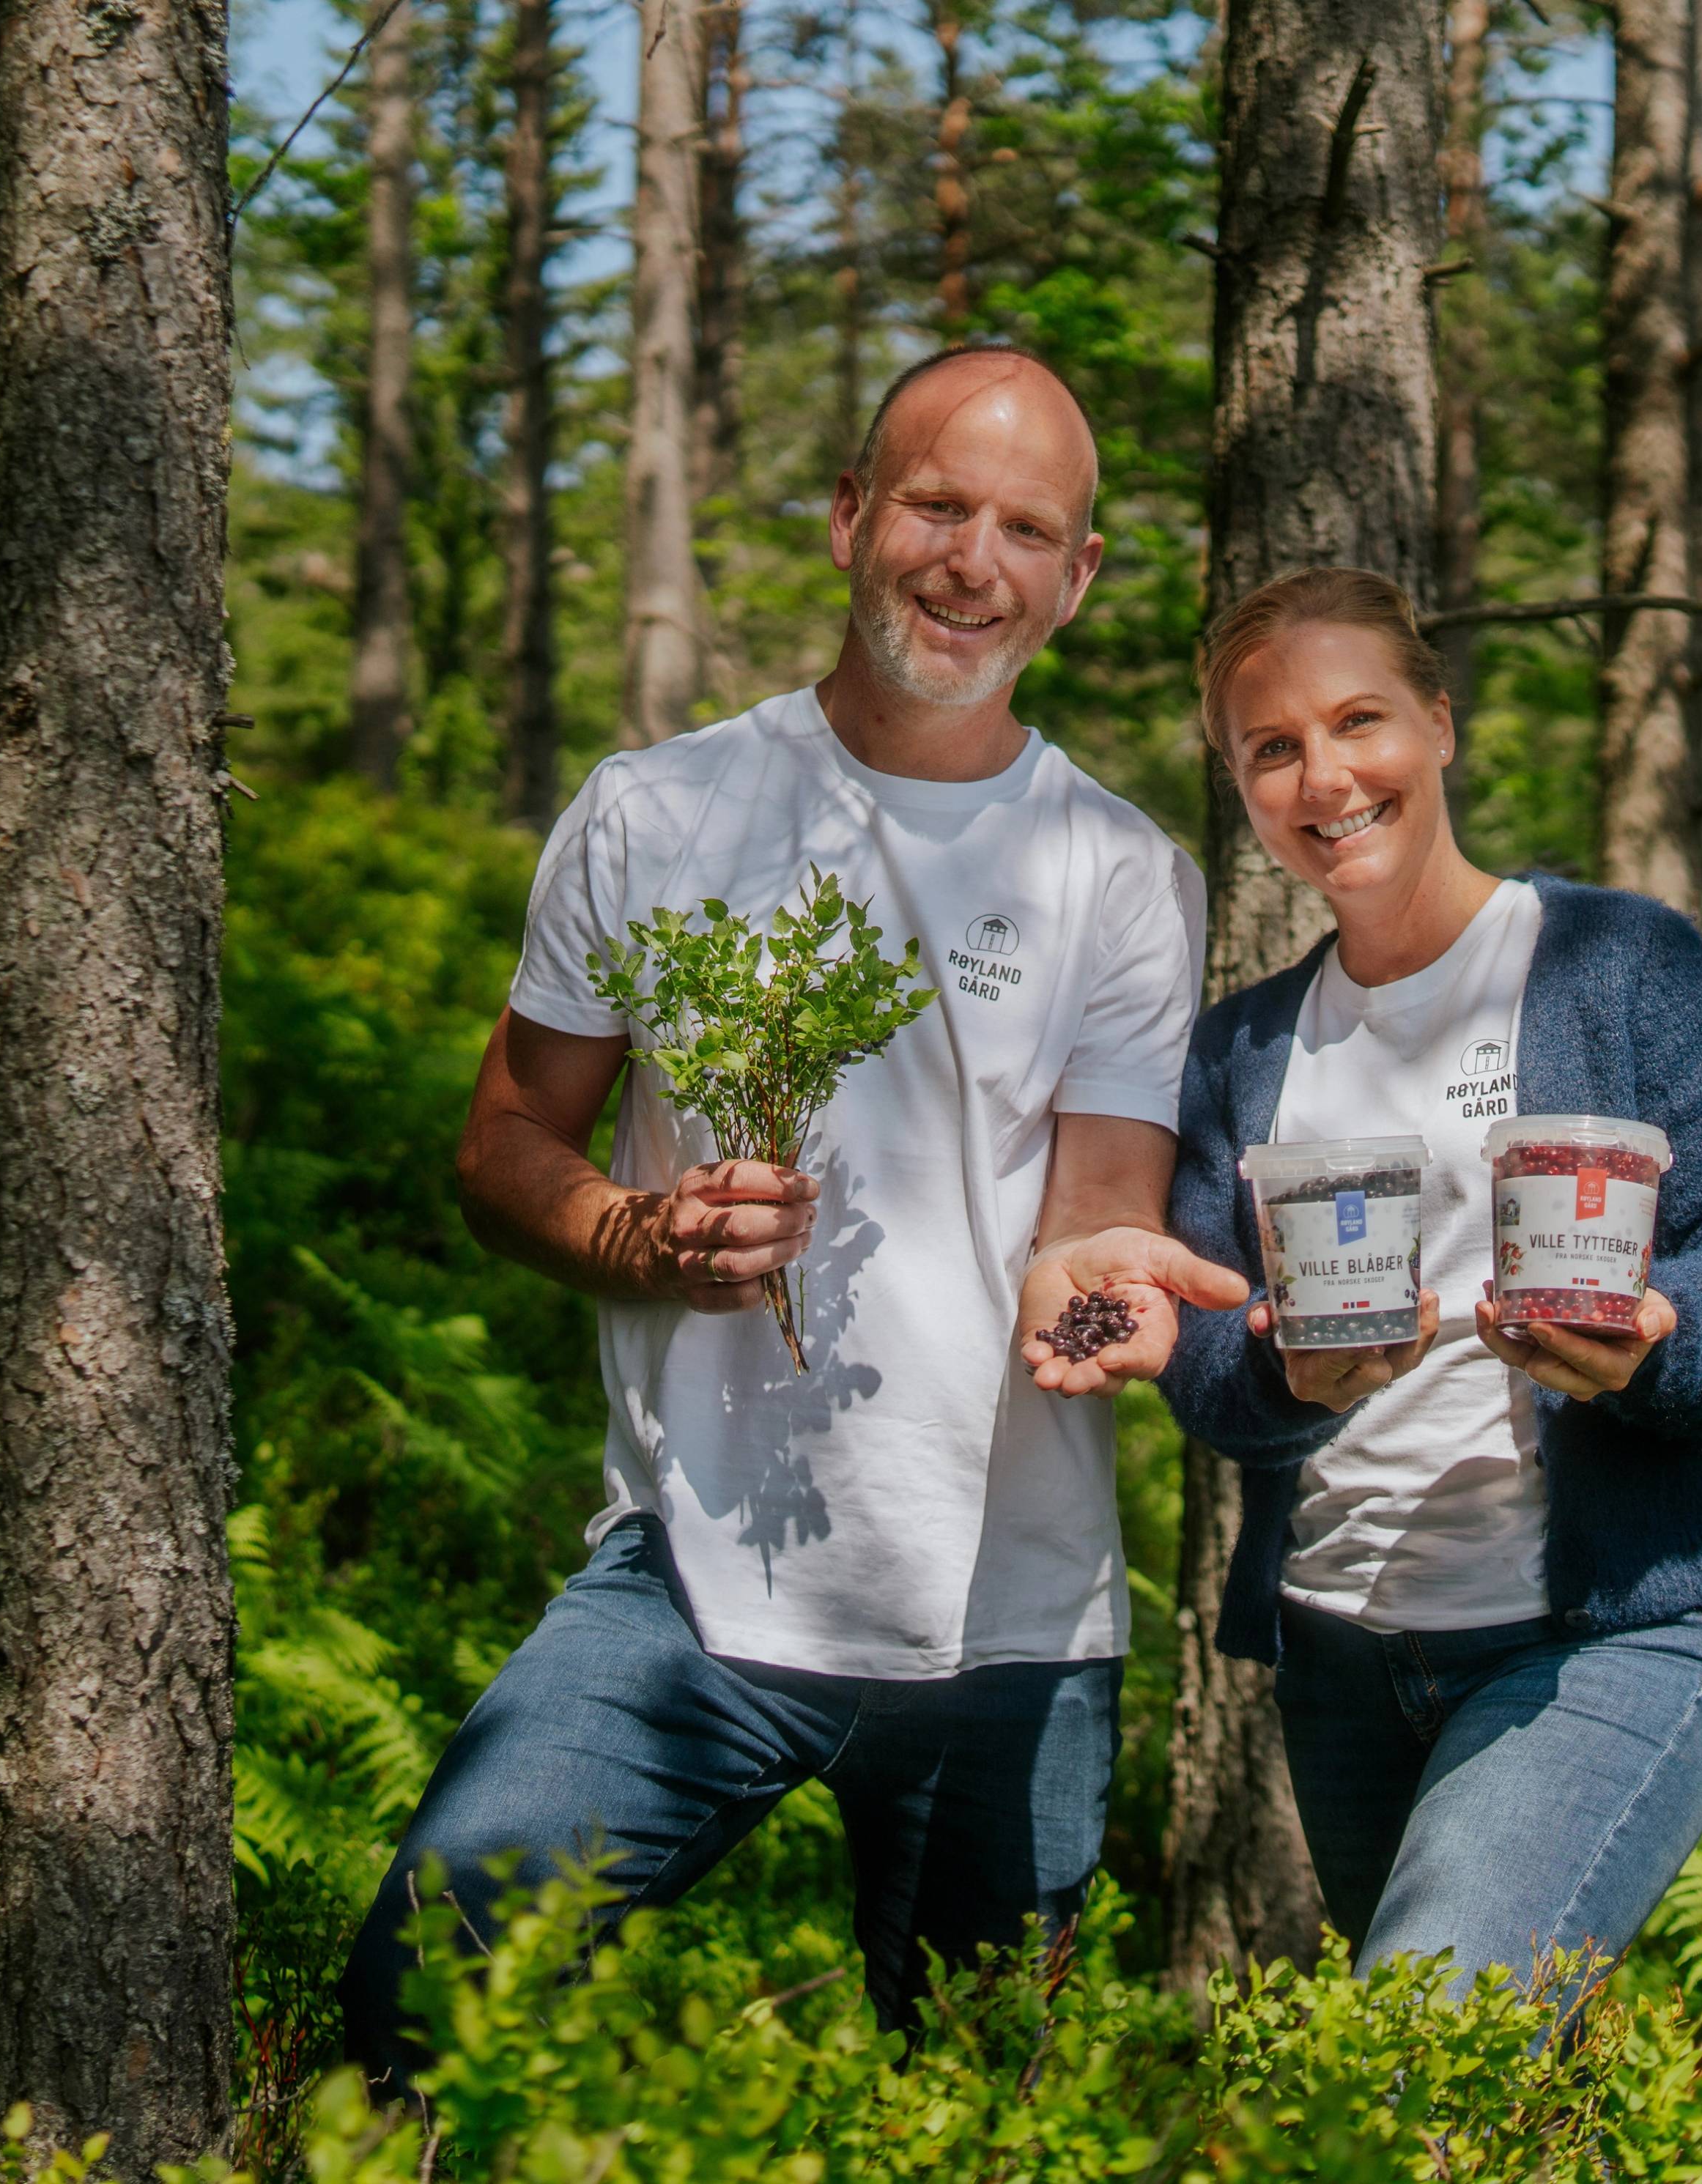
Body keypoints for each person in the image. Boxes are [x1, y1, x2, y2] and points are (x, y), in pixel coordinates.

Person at [339, 346, 1248, 2086]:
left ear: (1078, 576)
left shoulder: (1122, 874)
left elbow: (1101, 1202)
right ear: (849, 517)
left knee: (995, 2114)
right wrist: (636, 1238)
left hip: (1013, 1617)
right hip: (689, 1580)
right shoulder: (658, 809)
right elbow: (507, 1143)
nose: (972, 560)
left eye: (1025, 527)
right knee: (417, 1997)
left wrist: (1104, 1280)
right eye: (935, 505)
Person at [1158, 568, 1702, 2020]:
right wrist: (1284, 1375)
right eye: (1269, 748)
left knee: (1416, 2047)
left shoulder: (1614, 965)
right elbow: (1201, 1356)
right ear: (1237, 784)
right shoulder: (1240, 1051)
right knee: (1498, 2102)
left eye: (1359, 720)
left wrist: (1656, 1341)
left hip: (1602, 1638)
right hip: (1338, 1659)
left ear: (1440, 725)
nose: (1323, 776)